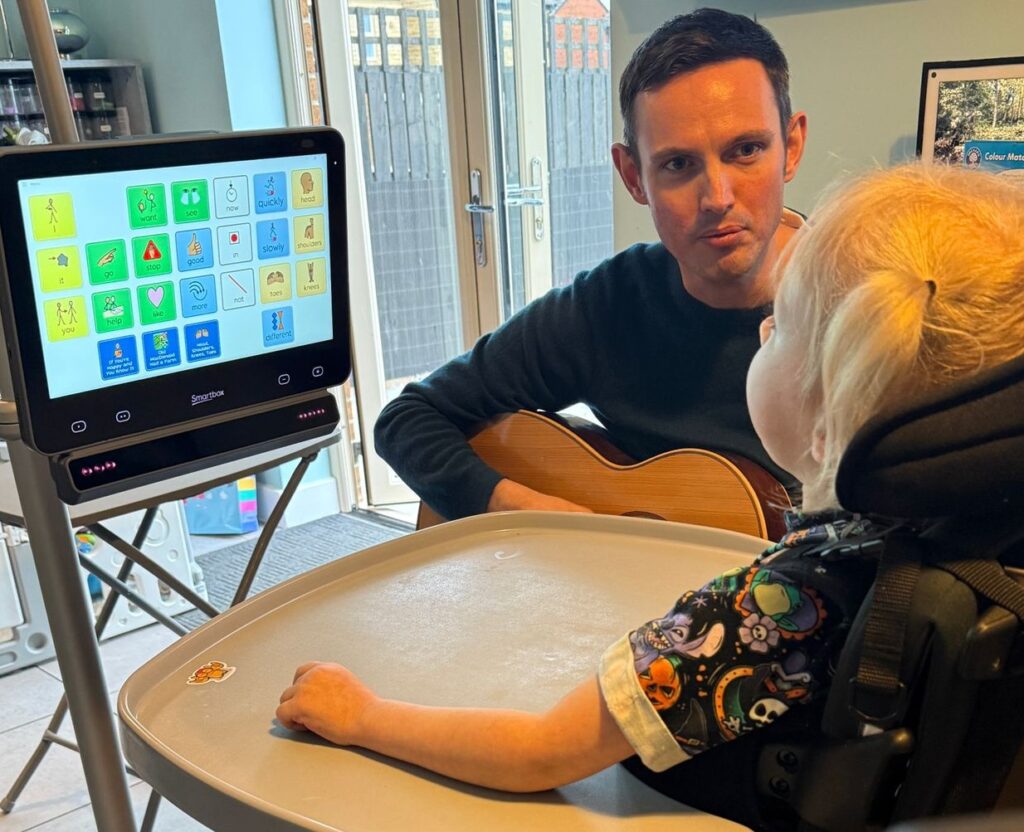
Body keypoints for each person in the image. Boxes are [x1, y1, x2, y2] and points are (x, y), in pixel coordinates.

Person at [277, 163, 1024, 792]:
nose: (760, 330)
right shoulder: (978, 534)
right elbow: (418, 415)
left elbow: (541, 751)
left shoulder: (776, 608)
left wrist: (361, 712)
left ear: (828, 418)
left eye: (783, 325)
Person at [374, 8, 808, 520]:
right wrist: (525, 509)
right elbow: (406, 418)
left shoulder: (866, 307)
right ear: (633, 177)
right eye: (677, 164)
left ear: (792, 146)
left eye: (746, 150)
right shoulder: (609, 305)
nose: (717, 197)